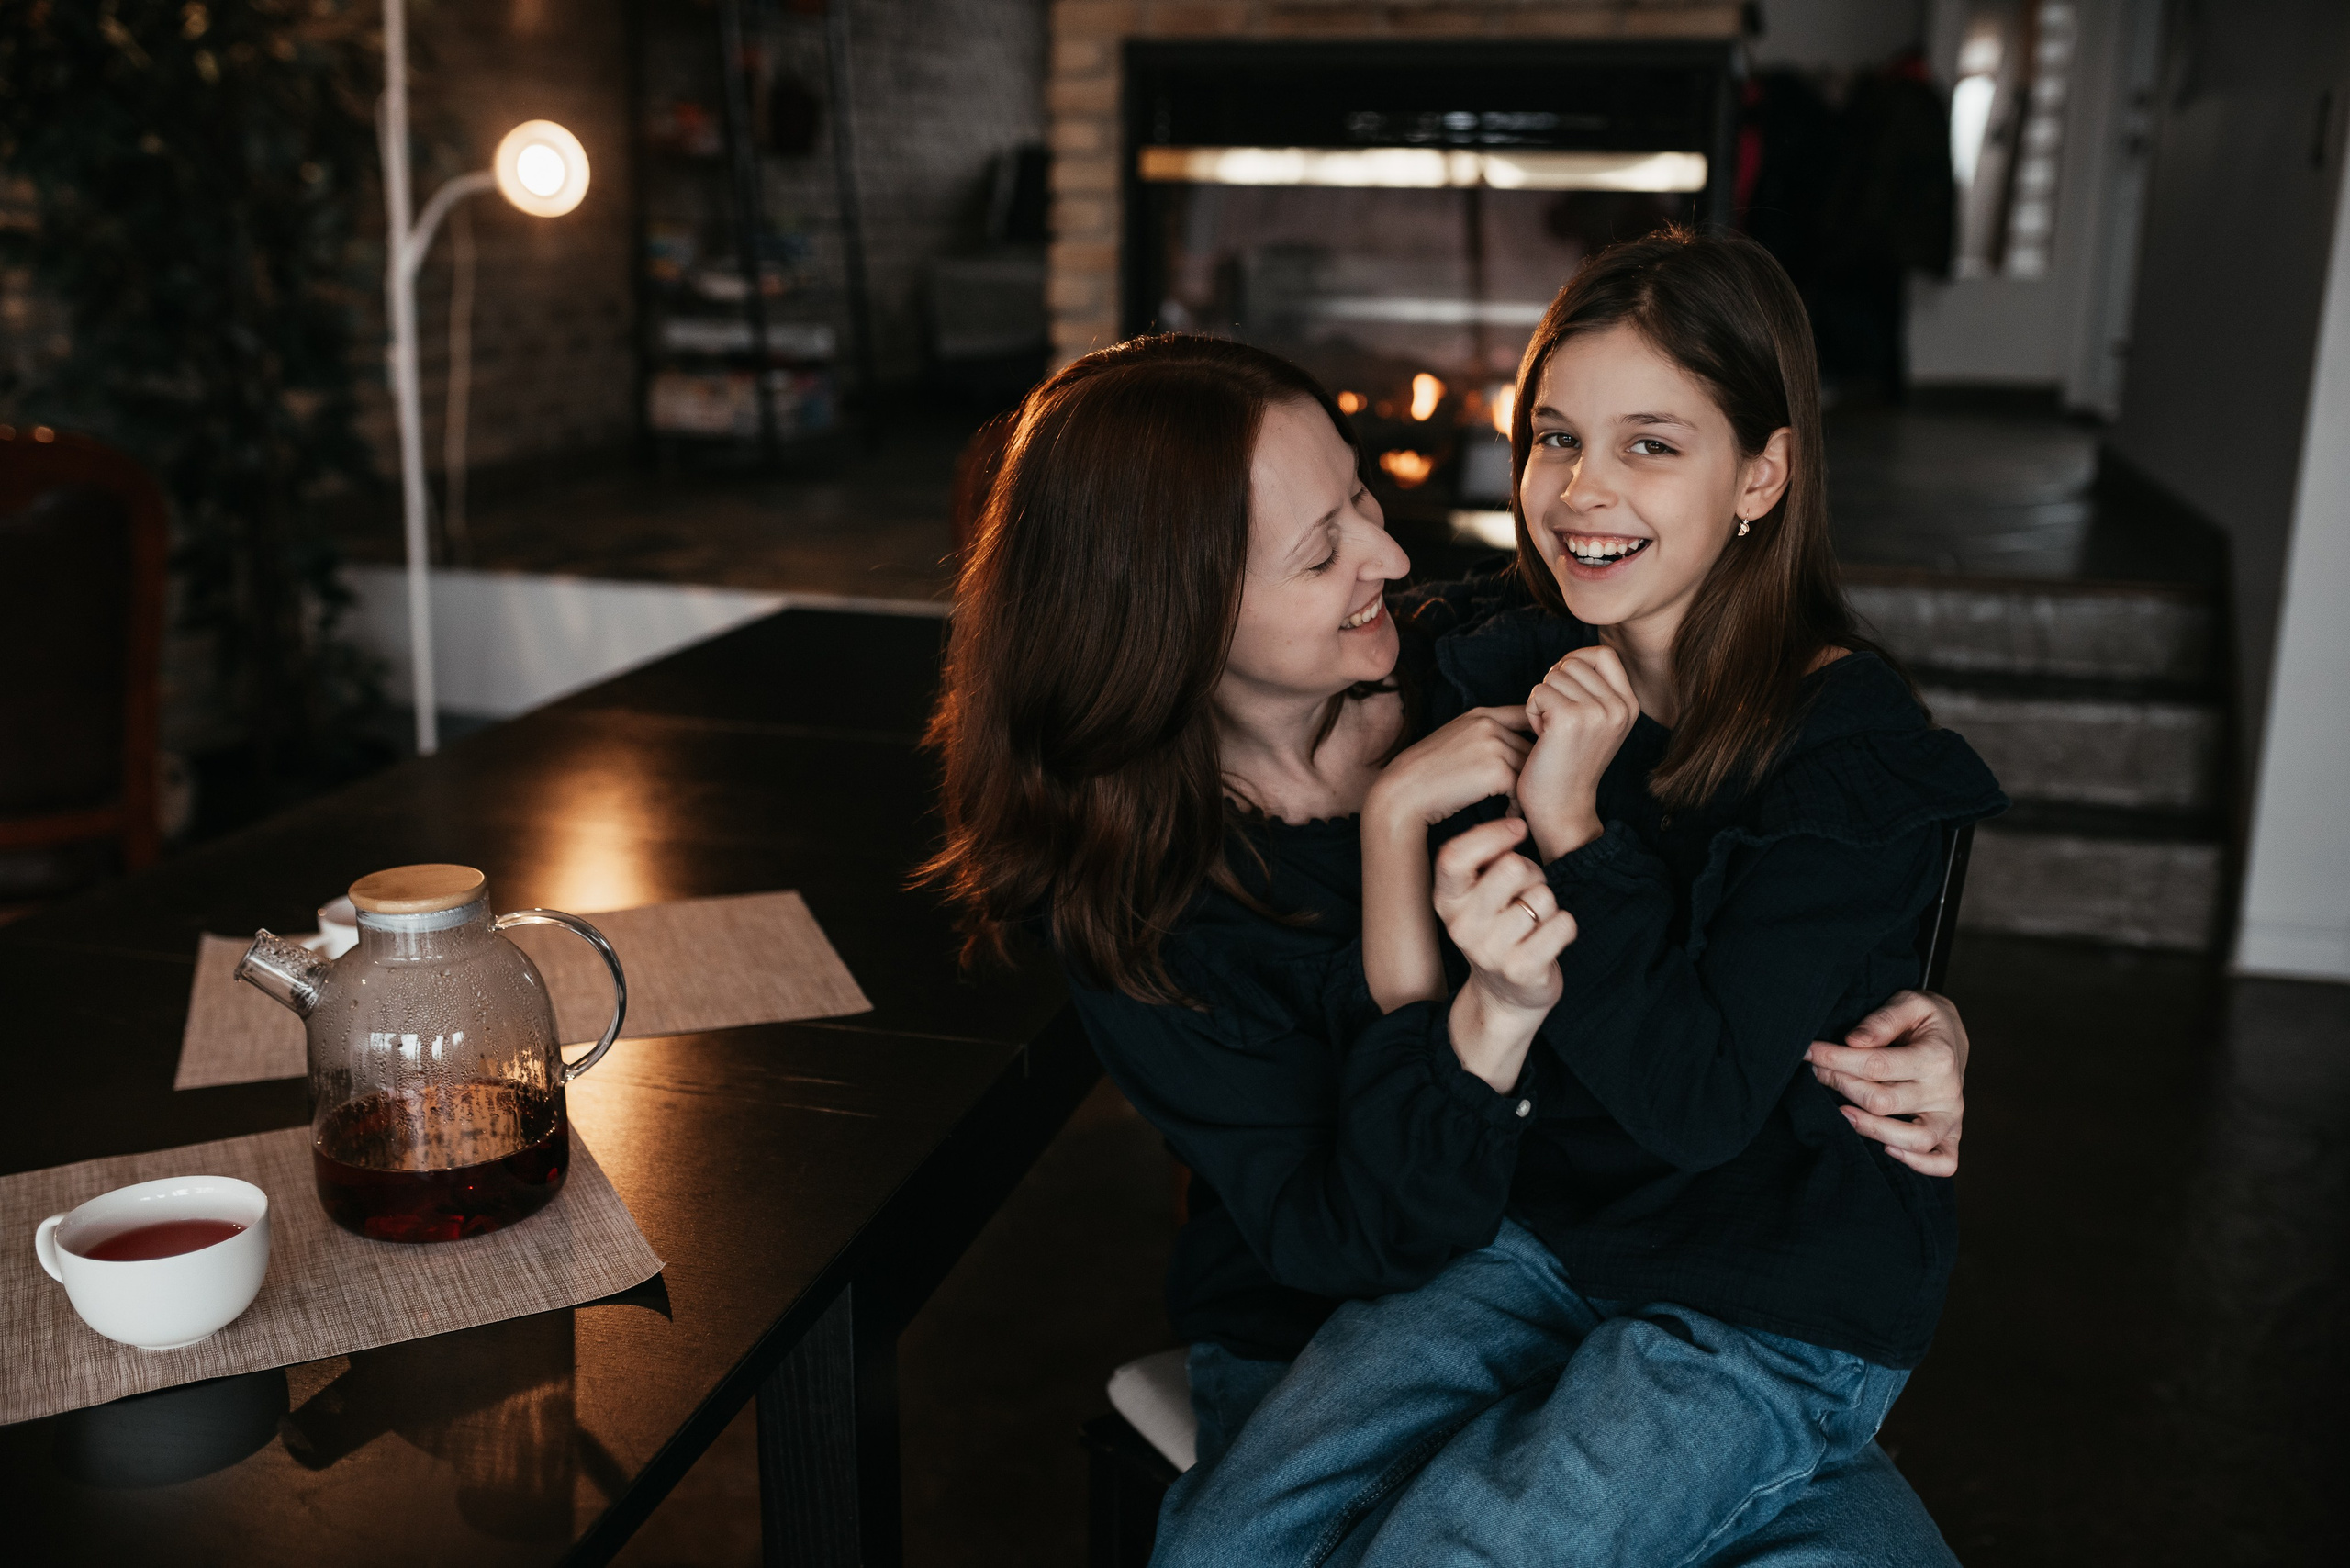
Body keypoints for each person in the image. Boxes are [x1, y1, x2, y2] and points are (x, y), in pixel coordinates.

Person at [923, 324, 1972, 1562]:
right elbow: (1366, 1243)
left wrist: (1912, 1017)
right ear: (1174, 622)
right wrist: (1405, 858)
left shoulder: (1497, 656)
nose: (1391, 554)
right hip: (1355, 1305)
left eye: (1362, 497)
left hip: (1655, 1248)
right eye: (1322, 552)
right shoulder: (1131, 902)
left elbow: (1757, 899)